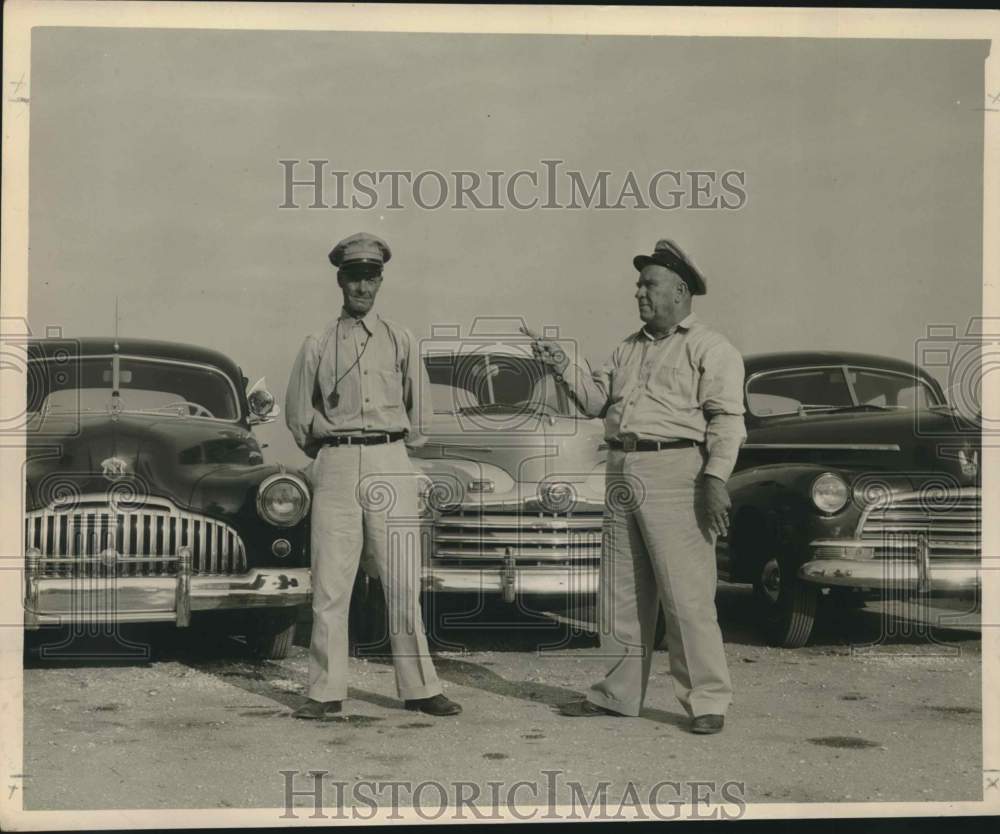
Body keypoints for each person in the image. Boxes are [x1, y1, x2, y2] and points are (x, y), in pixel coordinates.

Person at [524, 239, 745, 734]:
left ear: (681, 292)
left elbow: (727, 422)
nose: (639, 293)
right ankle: (617, 695)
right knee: (623, 594)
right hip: (622, 470)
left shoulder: (711, 348)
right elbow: (593, 402)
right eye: (639, 285)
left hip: (677, 472)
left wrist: (714, 479)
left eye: (650, 285)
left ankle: (707, 700)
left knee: (687, 597)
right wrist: (560, 363)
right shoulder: (627, 348)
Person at [284, 232, 461, 719]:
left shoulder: (400, 340)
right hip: (337, 464)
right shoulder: (317, 343)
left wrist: (392, 449)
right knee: (331, 584)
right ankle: (324, 691)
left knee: (402, 580)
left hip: (390, 461)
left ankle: (421, 688)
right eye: (354, 276)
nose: (363, 286)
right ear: (340, 280)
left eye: (371, 276)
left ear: (381, 280)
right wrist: (333, 447)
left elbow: (420, 416)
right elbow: (299, 417)